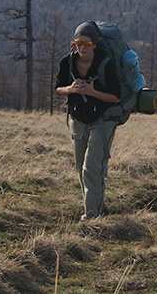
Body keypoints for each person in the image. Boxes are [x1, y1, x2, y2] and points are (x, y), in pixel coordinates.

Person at [55, 21, 121, 220]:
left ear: (96, 44)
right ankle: (94, 204)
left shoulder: (106, 63)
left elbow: (115, 97)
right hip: (77, 119)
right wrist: (72, 89)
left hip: (102, 120)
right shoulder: (66, 63)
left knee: (91, 166)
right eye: (78, 43)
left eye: (87, 44)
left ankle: (91, 216)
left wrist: (92, 92)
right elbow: (59, 88)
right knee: (79, 167)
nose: (82, 48)